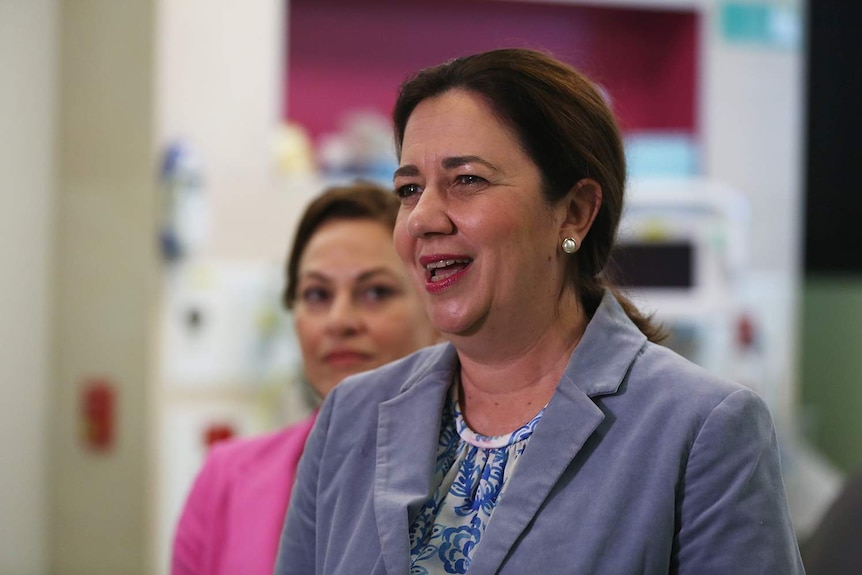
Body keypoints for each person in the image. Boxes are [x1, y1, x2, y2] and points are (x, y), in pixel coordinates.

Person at [274, 48, 804, 574]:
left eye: (467, 180)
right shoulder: (351, 415)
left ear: (573, 213)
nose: (421, 219)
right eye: (409, 189)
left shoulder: (702, 429)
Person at [170, 182, 439, 575]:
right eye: (316, 295)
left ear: (439, 314)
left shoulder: (473, 476)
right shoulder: (226, 479)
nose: (339, 321)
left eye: (376, 292)